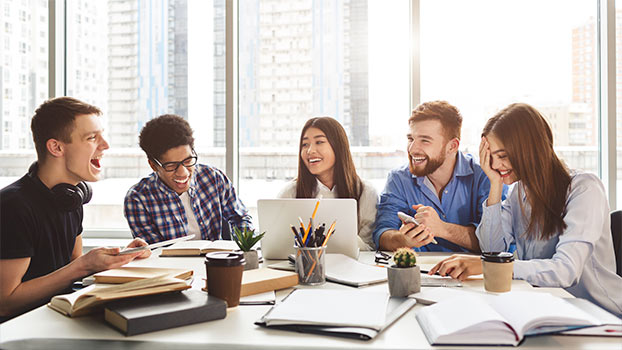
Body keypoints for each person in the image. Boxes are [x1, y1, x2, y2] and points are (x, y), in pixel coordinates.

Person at [430, 103, 622, 317]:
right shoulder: (517, 192)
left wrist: (490, 266)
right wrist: (495, 184)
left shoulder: (584, 188)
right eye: (491, 156)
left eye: (502, 156)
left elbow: (566, 271)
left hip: (601, 314)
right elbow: (491, 249)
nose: (495, 164)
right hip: (550, 310)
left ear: (529, 150)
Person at [0, 97, 150, 322]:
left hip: (58, 319)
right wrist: (83, 266)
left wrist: (119, 258)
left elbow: (72, 268)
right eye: (92, 138)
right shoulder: (13, 207)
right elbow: (5, 303)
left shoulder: (70, 198)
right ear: (56, 147)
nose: (105, 145)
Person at [373, 101, 504, 253]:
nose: (412, 148)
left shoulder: (485, 176)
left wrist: (442, 228)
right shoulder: (398, 179)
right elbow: (382, 233)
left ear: (452, 146)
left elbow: (497, 245)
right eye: (411, 139)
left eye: (425, 140)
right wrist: (403, 240)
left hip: (472, 274)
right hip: (420, 273)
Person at [124, 114, 252, 244]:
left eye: (188, 160)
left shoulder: (213, 178)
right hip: (172, 264)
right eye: (171, 165)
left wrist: (243, 247)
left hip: (217, 261)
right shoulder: (138, 199)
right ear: (153, 165)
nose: (183, 172)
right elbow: (154, 253)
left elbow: (241, 218)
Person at [277, 117, 378, 250]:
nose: (310, 150)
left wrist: (343, 238)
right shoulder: (290, 193)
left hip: (350, 268)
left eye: (319, 142)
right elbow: (278, 245)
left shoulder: (365, 192)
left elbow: (370, 246)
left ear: (338, 146)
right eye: (305, 144)